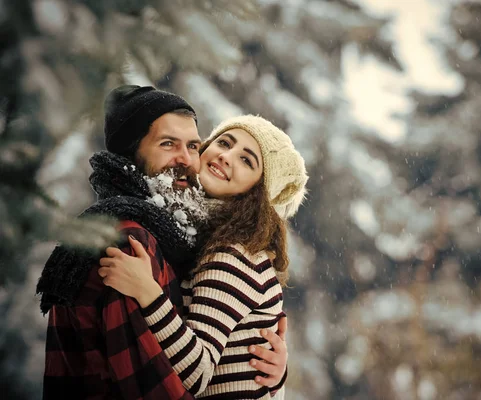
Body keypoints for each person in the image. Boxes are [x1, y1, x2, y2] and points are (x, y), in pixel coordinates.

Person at [36, 86, 287, 400]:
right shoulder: (130, 241)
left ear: (256, 193)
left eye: (193, 145)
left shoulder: (186, 240)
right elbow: (153, 386)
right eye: (168, 143)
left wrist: (268, 376)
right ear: (132, 152)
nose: (185, 159)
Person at [97, 115, 308, 399]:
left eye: (247, 161)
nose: (226, 156)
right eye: (224, 142)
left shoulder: (232, 255)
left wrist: (146, 290)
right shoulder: (203, 236)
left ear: (256, 193)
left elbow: (197, 373)